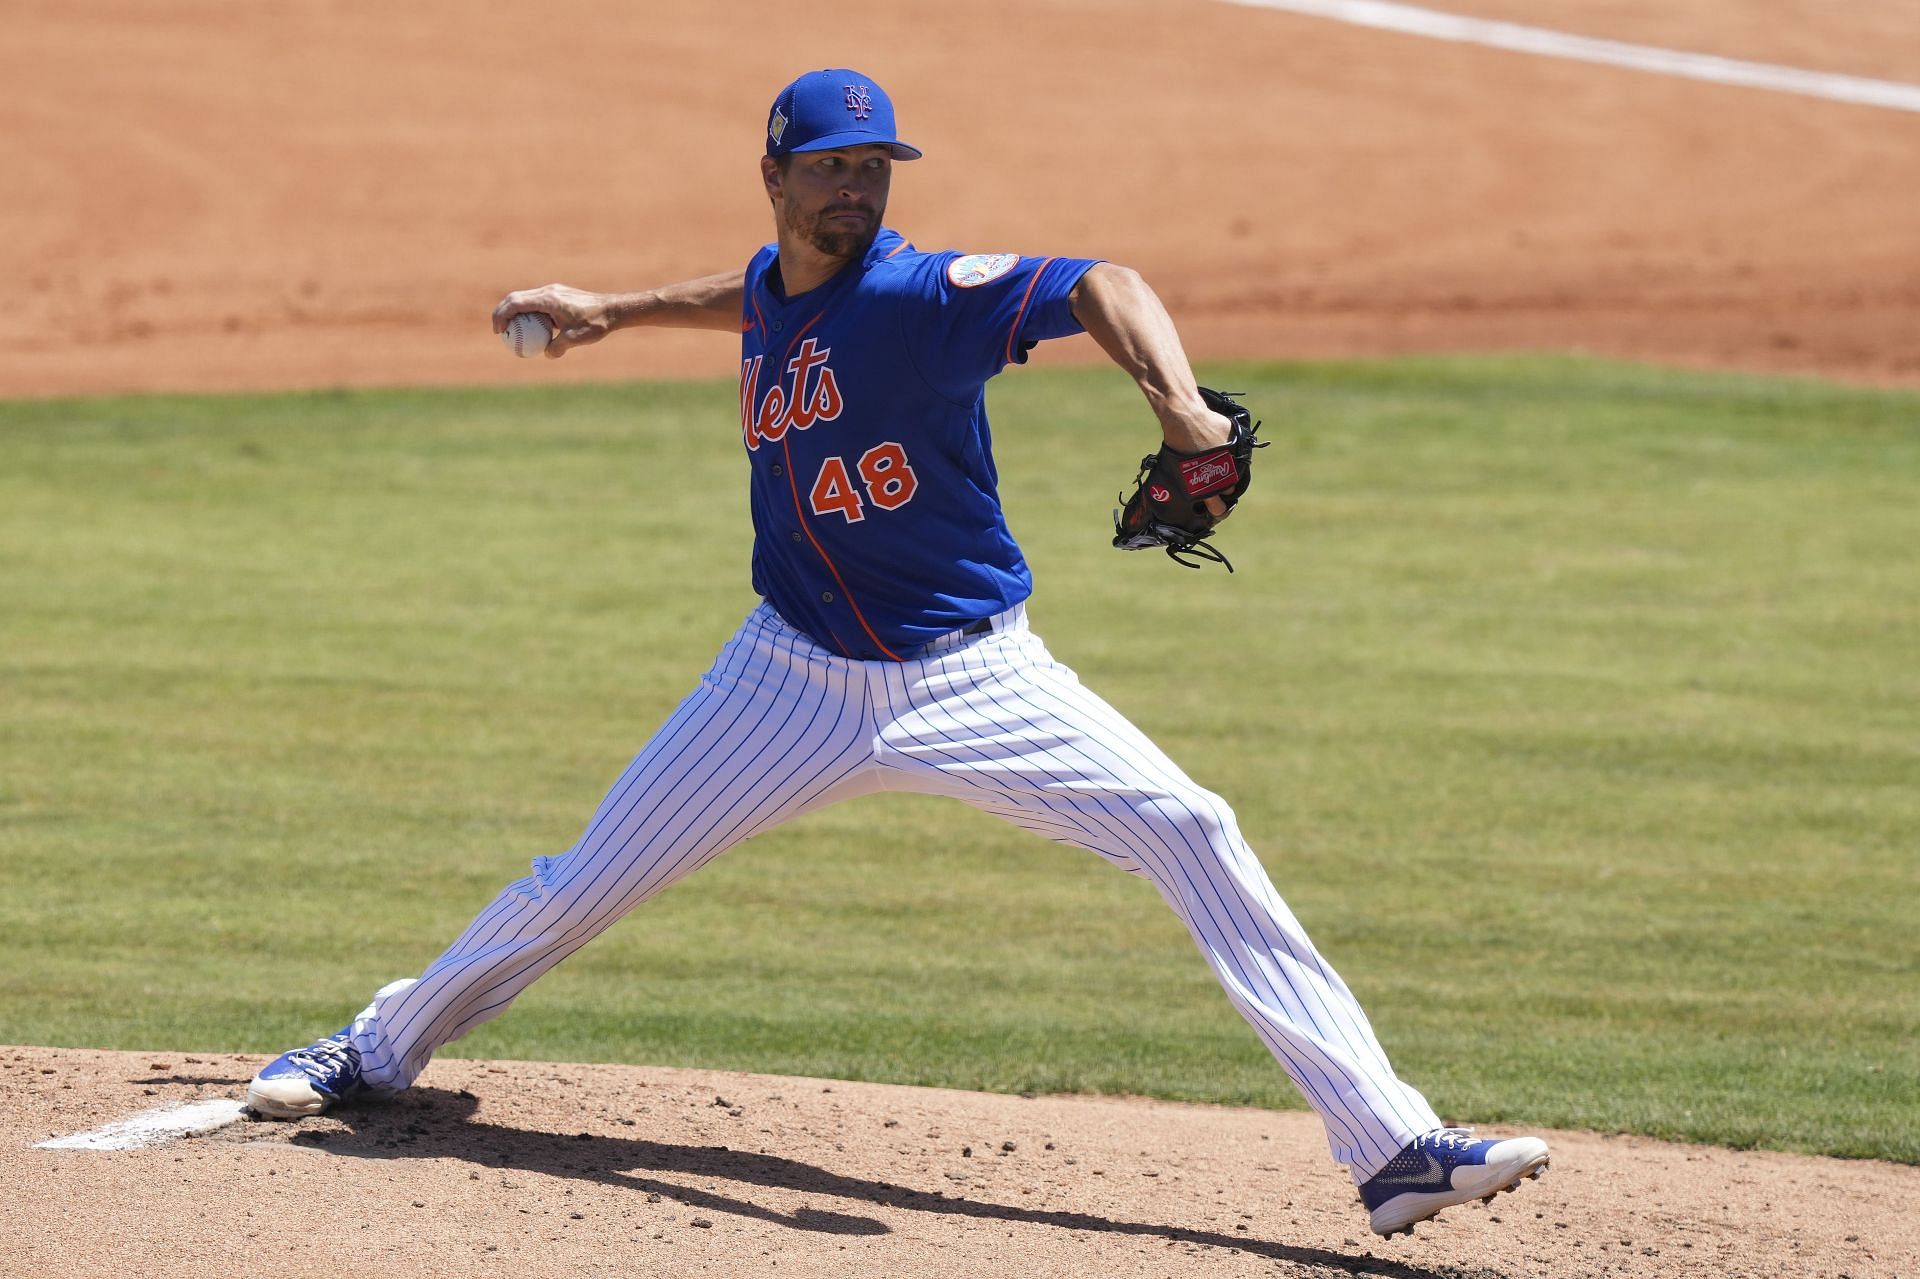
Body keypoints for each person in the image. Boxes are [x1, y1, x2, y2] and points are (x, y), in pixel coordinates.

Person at [246, 68, 1548, 1238]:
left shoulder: (923, 297)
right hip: (785, 679)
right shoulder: (780, 282)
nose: (858, 189)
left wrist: (1180, 402)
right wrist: (614, 311)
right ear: (776, 178)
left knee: (1193, 829)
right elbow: (755, 303)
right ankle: (377, 1045)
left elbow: (1105, 281)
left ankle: (1392, 1151)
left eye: (875, 169)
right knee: (582, 881)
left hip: (977, 680)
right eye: (833, 168)